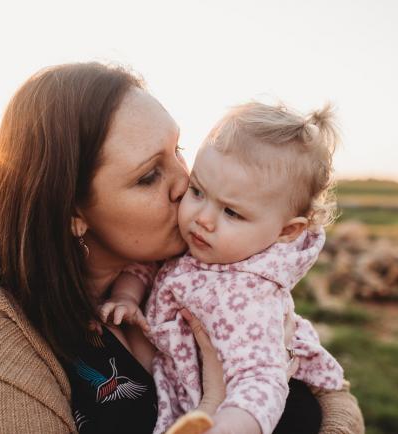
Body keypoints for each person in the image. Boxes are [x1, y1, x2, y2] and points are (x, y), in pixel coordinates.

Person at [0, 62, 365, 433]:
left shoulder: (190, 263)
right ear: (72, 211)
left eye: (178, 150)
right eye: (150, 175)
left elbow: (334, 394)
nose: (186, 183)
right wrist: (213, 402)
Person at [101, 101, 346, 434]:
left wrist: (225, 426)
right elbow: (148, 268)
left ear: (287, 231)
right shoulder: (203, 246)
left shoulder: (250, 297)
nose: (202, 218)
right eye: (198, 191)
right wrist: (127, 297)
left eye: (231, 212)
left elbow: (262, 382)